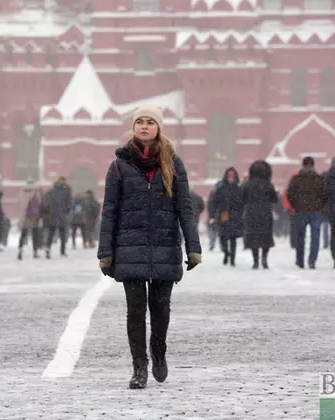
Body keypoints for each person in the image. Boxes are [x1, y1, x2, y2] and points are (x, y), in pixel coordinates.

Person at [97, 104, 202, 390]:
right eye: (139, 122)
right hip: (129, 247)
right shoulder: (118, 166)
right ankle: (139, 366)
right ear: (133, 128)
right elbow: (109, 211)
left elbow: (185, 207)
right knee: (135, 311)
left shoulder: (173, 163)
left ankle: (159, 352)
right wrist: (105, 252)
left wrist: (193, 246)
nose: (144, 126)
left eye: (150, 122)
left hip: (165, 245)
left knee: (161, 308)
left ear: (158, 127)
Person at [286, 157, 326, 269]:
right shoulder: (319, 179)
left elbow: (290, 194)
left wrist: (296, 205)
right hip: (315, 211)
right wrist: (320, 206)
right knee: (315, 237)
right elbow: (325, 194)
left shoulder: (296, 179)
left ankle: (300, 260)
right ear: (313, 165)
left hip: (301, 211)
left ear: (302, 165)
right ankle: (312, 261)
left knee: (300, 237)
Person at [241, 160, 278, 269]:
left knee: (253, 237)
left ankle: (255, 260)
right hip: (266, 212)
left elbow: (242, 198)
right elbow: (274, 199)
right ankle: (264, 259)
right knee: (266, 236)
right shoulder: (268, 185)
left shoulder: (248, 185)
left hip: (252, 212)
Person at [212, 167, 243, 266]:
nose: (231, 179)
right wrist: (212, 214)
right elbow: (214, 202)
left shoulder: (238, 189)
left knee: (233, 238)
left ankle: (232, 259)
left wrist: (241, 213)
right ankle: (226, 253)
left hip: (235, 215)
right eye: (229, 177)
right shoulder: (220, 189)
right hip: (223, 214)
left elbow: (242, 203)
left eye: (232, 177)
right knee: (223, 237)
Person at [45, 177, 72, 258]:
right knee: (63, 235)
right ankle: (62, 251)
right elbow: (69, 204)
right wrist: (66, 211)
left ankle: (48, 248)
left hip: (52, 215)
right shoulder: (67, 191)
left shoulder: (51, 191)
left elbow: (45, 202)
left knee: (51, 233)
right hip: (62, 215)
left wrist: (49, 211)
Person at [17, 180, 42, 260]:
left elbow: (20, 204)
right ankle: (35, 252)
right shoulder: (35, 192)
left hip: (25, 216)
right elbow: (39, 203)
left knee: (23, 235)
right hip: (34, 216)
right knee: (35, 234)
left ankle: (20, 250)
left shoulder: (22, 192)